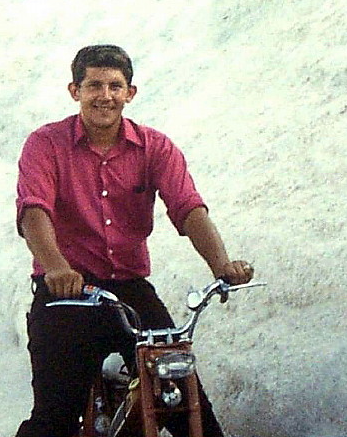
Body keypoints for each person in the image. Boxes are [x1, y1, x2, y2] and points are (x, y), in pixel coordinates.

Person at [14, 44, 253, 437]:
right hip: (66, 292)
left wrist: (221, 265)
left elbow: (188, 207)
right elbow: (34, 211)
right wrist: (57, 267)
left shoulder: (155, 146)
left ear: (130, 92)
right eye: (93, 86)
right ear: (75, 91)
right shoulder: (45, 144)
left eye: (114, 86)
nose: (104, 96)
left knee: (185, 405)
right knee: (55, 418)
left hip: (130, 293)